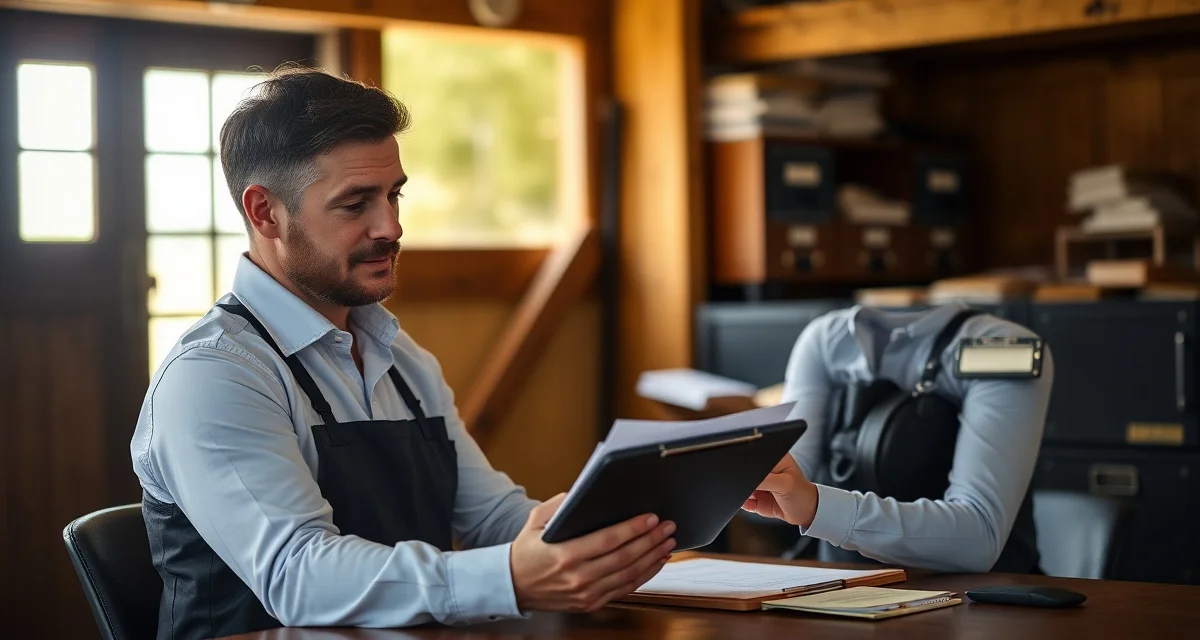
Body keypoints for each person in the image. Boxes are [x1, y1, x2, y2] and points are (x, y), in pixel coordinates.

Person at [129, 66, 676, 640]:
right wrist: (509, 577)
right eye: (355, 204)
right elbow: (296, 576)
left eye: (394, 195)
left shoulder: (402, 359)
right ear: (265, 212)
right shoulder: (214, 375)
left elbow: (494, 519)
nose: (390, 227)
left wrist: (600, 536)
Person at [741, 302, 1054, 574]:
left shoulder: (1003, 348)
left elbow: (979, 537)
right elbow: (788, 476)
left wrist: (816, 506)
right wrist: (743, 477)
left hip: (980, 601)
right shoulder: (825, 341)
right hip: (848, 592)